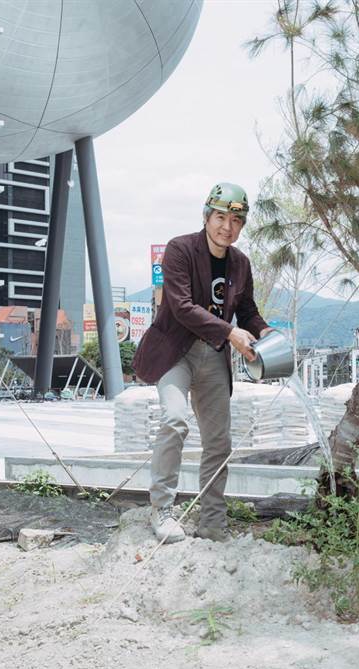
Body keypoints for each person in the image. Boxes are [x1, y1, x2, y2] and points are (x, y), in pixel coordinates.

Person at [132, 182, 272, 543]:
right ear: (207, 217)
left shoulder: (240, 263)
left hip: (213, 356)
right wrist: (231, 333)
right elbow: (180, 307)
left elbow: (247, 312)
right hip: (174, 352)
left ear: (242, 225)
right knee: (175, 420)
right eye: (221, 217)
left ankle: (212, 522)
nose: (228, 226)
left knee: (218, 442)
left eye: (236, 220)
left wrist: (267, 333)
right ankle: (162, 509)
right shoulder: (180, 249)